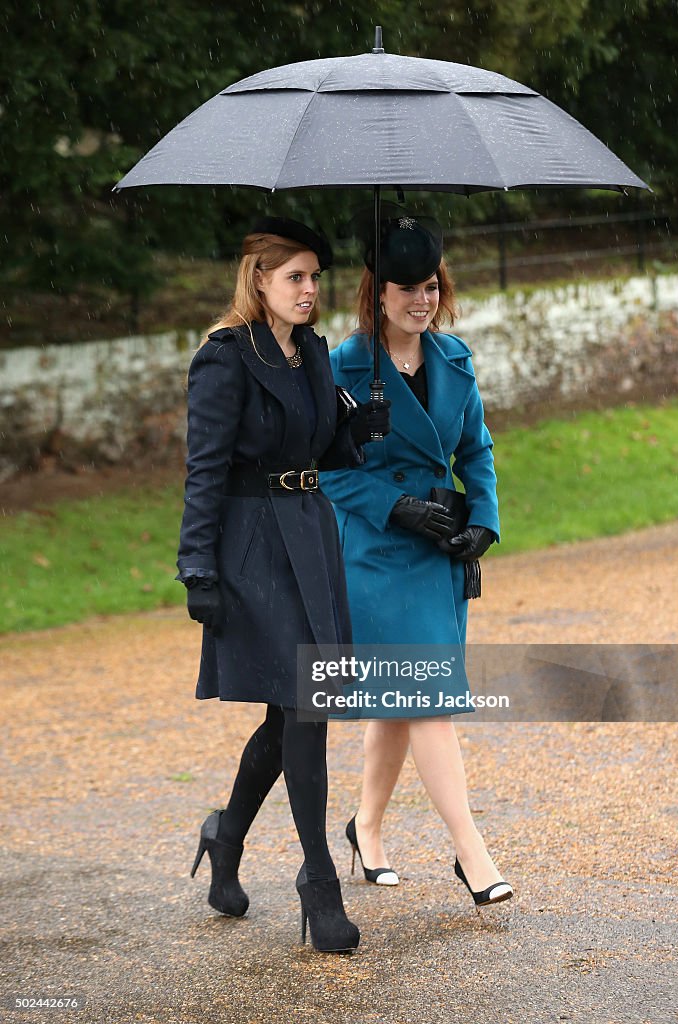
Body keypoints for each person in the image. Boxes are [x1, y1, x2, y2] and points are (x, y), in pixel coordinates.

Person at [176, 216, 390, 953]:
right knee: (305, 706)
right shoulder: (223, 358)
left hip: (310, 534)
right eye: (294, 276)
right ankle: (318, 882)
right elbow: (203, 469)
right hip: (250, 546)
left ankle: (225, 831)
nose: (309, 289)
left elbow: (323, 451)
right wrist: (195, 566)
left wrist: (358, 429)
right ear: (259, 280)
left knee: (300, 706)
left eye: (315, 277)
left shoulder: (314, 356)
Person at [319, 208, 513, 908]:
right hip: (374, 551)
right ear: (376, 292)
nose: (420, 299)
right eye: (405, 287)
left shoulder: (454, 358)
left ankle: (365, 828)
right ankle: (472, 853)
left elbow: (476, 450)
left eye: (429, 285)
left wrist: (484, 523)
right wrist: (390, 506)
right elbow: (327, 469)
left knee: (399, 699)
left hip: (438, 548)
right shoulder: (340, 364)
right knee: (424, 695)